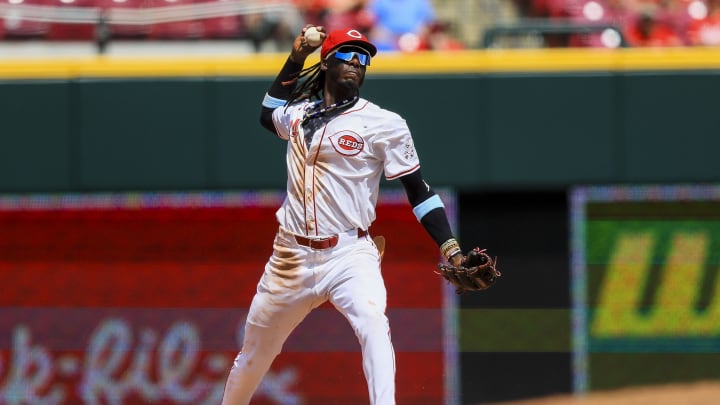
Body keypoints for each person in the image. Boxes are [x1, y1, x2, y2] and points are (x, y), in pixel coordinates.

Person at [220, 26, 466, 405]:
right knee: (254, 355)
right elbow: (267, 113)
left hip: (350, 253)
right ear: (328, 62)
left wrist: (451, 248)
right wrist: (297, 54)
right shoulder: (300, 114)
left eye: (363, 57)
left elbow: (420, 191)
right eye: (348, 55)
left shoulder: (385, 124)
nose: (356, 62)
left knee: (372, 322)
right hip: (291, 257)